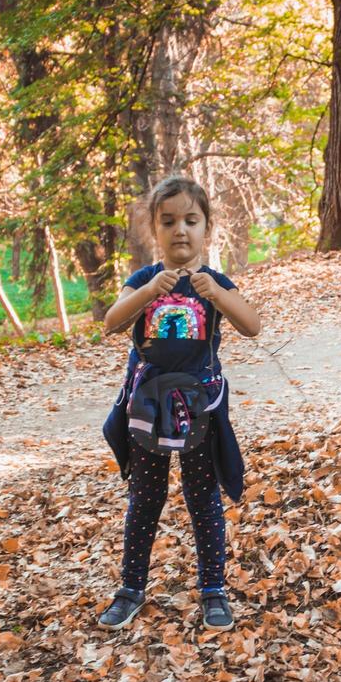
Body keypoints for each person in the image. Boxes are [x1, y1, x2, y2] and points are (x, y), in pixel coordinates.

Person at [98, 176, 262, 631]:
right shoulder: (144, 280)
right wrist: (149, 292)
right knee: (145, 498)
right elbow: (111, 323)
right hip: (149, 407)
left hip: (201, 409)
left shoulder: (214, 283)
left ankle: (213, 590)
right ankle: (130, 588)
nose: (180, 231)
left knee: (202, 498)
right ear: (155, 230)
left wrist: (219, 295)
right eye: (168, 222)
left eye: (191, 220)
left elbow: (253, 326)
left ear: (207, 227)